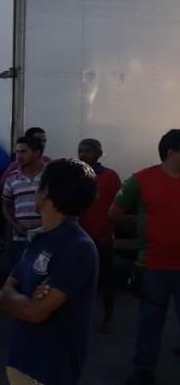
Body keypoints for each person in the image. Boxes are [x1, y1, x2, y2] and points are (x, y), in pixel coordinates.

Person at [0, 158, 99, 385]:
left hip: (51, 371)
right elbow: (2, 297)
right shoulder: (39, 238)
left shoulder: (78, 247)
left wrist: (19, 299)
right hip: (21, 361)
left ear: (46, 192)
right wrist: (26, 299)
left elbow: (36, 312)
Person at [111, 129, 180, 385]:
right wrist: (141, 234)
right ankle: (144, 368)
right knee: (149, 322)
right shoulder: (140, 180)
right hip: (154, 266)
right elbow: (115, 214)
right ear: (171, 152)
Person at [76, 138, 121, 333]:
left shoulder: (110, 177)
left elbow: (118, 208)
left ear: (98, 154)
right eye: (81, 151)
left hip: (102, 238)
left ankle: (108, 316)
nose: (83, 154)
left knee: (105, 280)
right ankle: (78, 317)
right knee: (78, 280)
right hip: (79, 238)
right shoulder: (75, 175)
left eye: (88, 151)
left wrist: (109, 233)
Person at [2, 136, 46, 266]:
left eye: (23, 152)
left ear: (37, 153)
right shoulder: (12, 177)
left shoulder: (50, 174)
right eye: (17, 152)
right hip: (21, 237)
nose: (19, 156)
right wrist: (15, 226)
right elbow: (5, 206)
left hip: (46, 235)